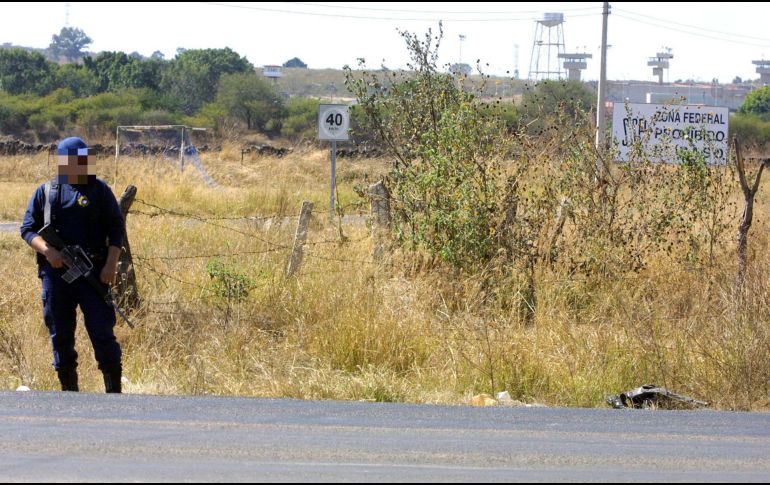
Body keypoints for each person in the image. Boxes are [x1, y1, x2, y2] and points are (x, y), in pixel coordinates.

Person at [20, 137, 126, 393]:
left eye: (86, 159)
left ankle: (114, 394)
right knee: (61, 334)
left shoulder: (100, 190)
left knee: (102, 333)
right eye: (78, 160)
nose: (84, 164)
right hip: (57, 275)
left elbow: (116, 228)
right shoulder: (46, 192)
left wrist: (110, 265)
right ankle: (70, 396)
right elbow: (27, 229)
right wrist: (48, 251)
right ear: (65, 162)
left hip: (94, 274)